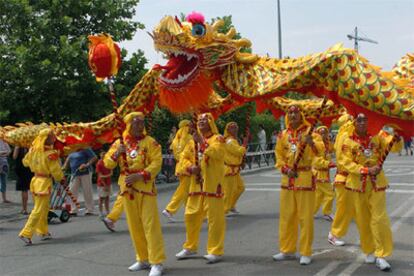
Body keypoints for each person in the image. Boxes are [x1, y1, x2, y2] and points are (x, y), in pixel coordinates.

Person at [338, 113, 402, 271]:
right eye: (358, 119)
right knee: (363, 219)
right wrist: (365, 169)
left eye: (365, 119)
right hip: (357, 184)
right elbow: (344, 162)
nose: (362, 122)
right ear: (353, 121)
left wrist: (397, 138)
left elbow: (393, 146)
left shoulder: (379, 134)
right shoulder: (347, 139)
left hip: (377, 183)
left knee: (379, 218)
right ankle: (369, 250)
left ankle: (381, 254)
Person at [104, 112, 165, 276]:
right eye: (136, 122)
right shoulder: (119, 143)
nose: (140, 125)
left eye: (142, 122)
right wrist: (117, 153)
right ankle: (142, 258)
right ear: (128, 124)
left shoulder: (150, 142)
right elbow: (108, 163)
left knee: (150, 225)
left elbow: (157, 162)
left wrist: (141, 175)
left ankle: (157, 262)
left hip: (144, 187)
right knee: (134, 225)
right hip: (127, 188)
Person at [272, 105, 324, 265]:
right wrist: (286, 169)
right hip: (288, 179)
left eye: (295, 112)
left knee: (305, 218)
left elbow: (321, 152)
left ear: (301, 115)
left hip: (305, 178)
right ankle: (287, 250)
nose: (292, 115)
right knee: (287, 217)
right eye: (290, 112)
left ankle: (305, 252)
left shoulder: (311, 132)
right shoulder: (283, 135)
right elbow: (278, 156)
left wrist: (312, 144)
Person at [175, 113, 226, 264]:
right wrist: (190, 167)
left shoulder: (218, 139)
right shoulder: (191, 142)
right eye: (199, 120)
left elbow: (217, 153)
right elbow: (183, 159)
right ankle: (190, 247)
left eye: (205, 120)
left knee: (214, 219)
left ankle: (215, 251)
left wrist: (202, 143)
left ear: (211, 123)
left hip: (212, 185)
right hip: (196, 184)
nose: (201, 122)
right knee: (190, 215)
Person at [18, 128, 65, 245]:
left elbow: (25, 162)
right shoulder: (50, 154)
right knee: (38, 209)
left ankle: (43, 232)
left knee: (43, 209)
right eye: (52, 136)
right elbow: (56, 171)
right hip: (44, 183)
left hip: (35, 181)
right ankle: (26, 233)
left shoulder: (33, 151)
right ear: (46, 138)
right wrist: (61, 179)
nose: (54, 137)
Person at [328, 114, 355, 246]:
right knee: (343, 209)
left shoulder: (341, 135)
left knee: (352, 209)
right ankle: (333, 234)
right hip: (345, 177)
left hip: (347, 177)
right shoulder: (345, 136)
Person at [162, 120, 192, 222]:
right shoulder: (189, 138)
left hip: (179, 166)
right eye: (190, 125)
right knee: (183, 190)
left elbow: (172, 150)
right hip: (188, 166)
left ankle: (190, 211)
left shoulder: (175, 140)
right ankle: (169, 209)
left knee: (186, 190)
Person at [63, 147, 97, 215]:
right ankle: (73, 210)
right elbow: (68, 159)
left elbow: (94, 157)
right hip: (74, 173)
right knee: (72, 190)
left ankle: (89, 210)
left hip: (85, 172)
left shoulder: (85, 147)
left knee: (87, 190)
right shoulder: (70, 149)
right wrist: (63, 168)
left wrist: (87, 164)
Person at [223, 122, 247, 214]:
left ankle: (231, 205)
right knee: (228, 191)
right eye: (233, 128)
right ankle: (224, 210)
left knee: (240, 188)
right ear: (228, 130)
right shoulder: (229, 141)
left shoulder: (234, 140)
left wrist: (241, 162)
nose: (235, 129)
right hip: (229, 169)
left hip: (235, 169)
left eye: (236, 127)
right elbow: (238, 152)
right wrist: (244, 145)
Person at [313, 126, 335, 221]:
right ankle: (327, 212)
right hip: (320, 174)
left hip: (324, 173)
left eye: (325, 132)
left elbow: (334, 148)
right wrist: (327, 163)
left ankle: (311, 212)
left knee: (319, 195)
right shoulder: (315, 145)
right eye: (321, 133)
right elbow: (315, 160)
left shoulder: (327, 144)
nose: (323, 134)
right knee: (330, 193)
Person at [13, 146, 33, 214]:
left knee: (24, 190)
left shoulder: (18, 146)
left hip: (21, 170)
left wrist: (16, 148)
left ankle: (24, 209)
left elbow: (14, 157)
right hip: (30, 169)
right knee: (33, 190)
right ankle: (36, 208)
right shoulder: (31, 145)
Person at [96, 150, 113, 218]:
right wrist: (105, 185)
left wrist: (108, 176)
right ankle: (100, 212)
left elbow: (111, 172)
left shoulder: (108, 162)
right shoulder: (99, 163)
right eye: (102, 154)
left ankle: (107, 211)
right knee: (101, 198)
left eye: (104, 154)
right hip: (101, 184)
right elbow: (100, 176)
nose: (103, 155)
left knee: (107, 198)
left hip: (108, 182)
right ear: (100, 155)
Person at [0, 138, 11, 203]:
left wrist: (2, 154)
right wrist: (3, 153)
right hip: (4, 161)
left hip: (4, 163)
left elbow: (9, 151)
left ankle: (4, 198)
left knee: (4, 181)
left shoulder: (4, 141)